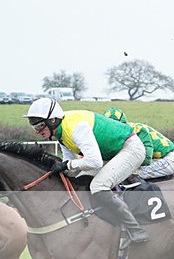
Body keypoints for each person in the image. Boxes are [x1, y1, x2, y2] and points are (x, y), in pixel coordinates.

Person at [24, 98, 150, 243]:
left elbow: (93, 162)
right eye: (35, 128)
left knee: (98, 186)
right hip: (110, 154)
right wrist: (55, 166)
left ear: (52, 120)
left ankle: (135, 229)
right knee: (78, 179)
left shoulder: (76, 128)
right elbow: (71, 168)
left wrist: (67, 166)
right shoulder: (60, 133)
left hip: (130, 148)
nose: (38, 132)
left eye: (40, 126)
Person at [104, 107, 174, 180]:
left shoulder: (136, 132)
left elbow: (146, 158)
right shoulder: (129, 129)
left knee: (127, 175)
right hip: (155, 159)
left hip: (165, 161)